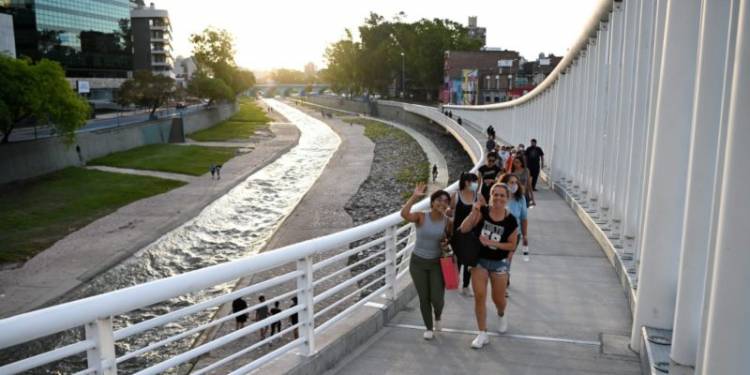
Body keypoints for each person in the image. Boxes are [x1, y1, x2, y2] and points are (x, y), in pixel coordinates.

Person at [459, 183, 519, 349]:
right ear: (491, 195)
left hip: (499, 263)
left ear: (507, 198)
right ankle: (482, 333)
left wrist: (493, 243)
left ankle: (501, 313)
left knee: (498, 299)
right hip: (479, 260)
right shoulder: (483, 212)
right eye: (496, 194)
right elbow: (464, 229)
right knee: (479, 295)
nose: (498, 198)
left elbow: (511, 245)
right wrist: (474, 211)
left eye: (502, 195)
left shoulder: (511, 220)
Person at [401, 183, 452, 340]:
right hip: (418, 263)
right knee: (424, 297)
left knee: (437, 298)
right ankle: (429, 327)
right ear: (432, 202)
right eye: (439, 200)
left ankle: (438, 316)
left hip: (437, 263)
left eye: (445, 201)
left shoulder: (448, 222)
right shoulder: (421, 216)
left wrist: (446, 243)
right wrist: (415, 196)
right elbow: (404, 214)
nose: (442, 203)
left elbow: (450, 241)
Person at [448, 172, 486, 296]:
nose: (475, 184)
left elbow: (486, 213)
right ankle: (455, 282)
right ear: (466, 182)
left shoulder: (479, 197)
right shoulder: (456, 195)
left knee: (470, 259)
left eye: (476, 181)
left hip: (474, 234)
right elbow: (450, 210)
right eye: (473, 181)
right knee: (457, 258)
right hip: (458, 233)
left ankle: (465, 286)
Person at [500, 174, 530, 291]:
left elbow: (524, 218)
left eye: (515, 183)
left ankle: (504, 279)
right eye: (511, 182)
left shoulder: (520, 198)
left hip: (515, 234)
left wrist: (525, 235)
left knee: (508, 257)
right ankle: (501, 276)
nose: (514, 185)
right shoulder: (499, 196)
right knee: (499, 257)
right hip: (500, 232)